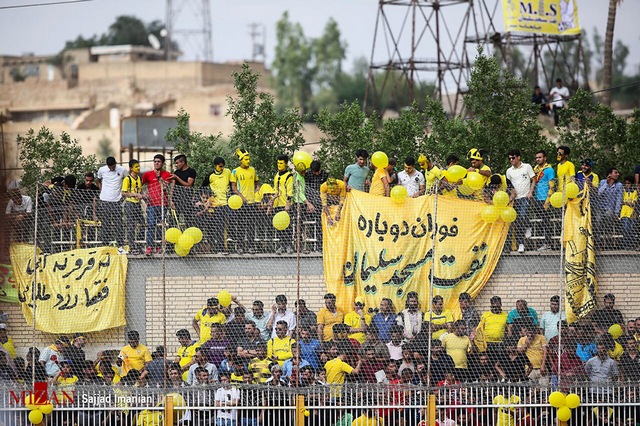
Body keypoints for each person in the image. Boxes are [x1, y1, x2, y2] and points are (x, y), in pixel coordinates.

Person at [230, 148, 260, 255]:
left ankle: (251, 247)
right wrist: (241, 196)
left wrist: (257, 189)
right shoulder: (235, 171)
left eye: (249, 159)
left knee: (251, 225)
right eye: (246, 159)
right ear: (240, 160)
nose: (248, 161)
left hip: (252, 202)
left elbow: (257, 182)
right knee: (241, 225)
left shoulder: (253, 170)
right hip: (241, 203)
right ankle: (240, 247)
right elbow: (233, 187)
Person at [505, 149, 535, 253]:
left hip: (525, 197)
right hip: (515, 199)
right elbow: (509, 185)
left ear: (518, 157)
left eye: (513, 157)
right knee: (517, 222)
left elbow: (534, 179)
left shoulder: (527, 167)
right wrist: (511, 196)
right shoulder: (509, 171)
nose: (511, 160)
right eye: (509, 158)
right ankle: (520, 244)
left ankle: (528, 226)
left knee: (523, 215)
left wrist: (530, 191)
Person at [141, 154, 172, 255]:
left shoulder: (167, 174)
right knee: (150, 225)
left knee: (160, 226)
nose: (156, 163)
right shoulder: (148, 174)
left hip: (163, 204)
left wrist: (161, 180)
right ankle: (149, 247)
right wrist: (143, 195)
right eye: (155, 161)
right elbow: (139, 185)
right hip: (151, 205)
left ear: (162, 163)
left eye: (158, 161)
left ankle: (159, 246)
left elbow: (169, 186)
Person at [96, 156, 127, 251]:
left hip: (117, 201)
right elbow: (98, 180)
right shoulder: (102, 170)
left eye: (113, 166)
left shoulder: (122, 170)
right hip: (104, 200)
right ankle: (105, 245)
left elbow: (127, 181)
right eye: (110, 167)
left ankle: (120, 245)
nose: (111, 168)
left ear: (115, 163)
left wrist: (123, 195)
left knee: (118, 223)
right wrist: (102, 190)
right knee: (105, 223)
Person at [208, 156, 233, 254]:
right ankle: (220, 248)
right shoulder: (211, 176)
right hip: (218, 205)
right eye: (220, 166)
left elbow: (232, 184)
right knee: (220, 227)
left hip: (228, 203)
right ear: (215, 166)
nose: (222, 168)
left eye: (223, 166)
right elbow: (205, 188)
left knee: (231, 224)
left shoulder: (228, 172)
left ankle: (230, 248)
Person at [532, 150, 555, 251]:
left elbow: (552, 185)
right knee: (540, 222)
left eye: (540, 157)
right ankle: (542, 243)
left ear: (545, 158)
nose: (538, 159)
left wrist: (548, 199)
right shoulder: (535, 170)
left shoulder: (549, 170)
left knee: (546, 221)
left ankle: (548, 243)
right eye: (536, 157)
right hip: (537, 198)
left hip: (545, 198)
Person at [271, 155, 294, 254]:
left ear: (285, 164)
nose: (279, 165)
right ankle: (281, 245)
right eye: (278, 163)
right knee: (279, 225)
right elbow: (276, 190)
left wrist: (288, 203)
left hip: (286, 204)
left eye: (281, 163)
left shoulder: (289, 176)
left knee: (287, 225)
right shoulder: (277, 175)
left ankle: (288, 245)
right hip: (278, 204)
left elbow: (290, 190)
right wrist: (272, 200)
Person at [121, 159, 144, 253]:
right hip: (130, 203)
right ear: (131, 168)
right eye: (136, 166)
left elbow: (140, 190)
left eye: (139, 166)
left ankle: (139, 243)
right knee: (131, 225)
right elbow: (123, 193)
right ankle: (131, 246)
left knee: (142, 223)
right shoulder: (127, 179)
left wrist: (144, 196)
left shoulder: (138, 178)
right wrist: (135, 195)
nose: (138, 168)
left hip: (137, 204)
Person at [169, 153, 197, 228]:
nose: (176, 165)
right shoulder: (176, 172)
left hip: (187, 200)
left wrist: (177, 178)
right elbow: (173, 186)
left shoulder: (191, 171)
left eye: (177, 163)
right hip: (176, 200)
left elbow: (189, 184)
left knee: (188, 221)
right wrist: (171, 199)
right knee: (173, 221)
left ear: (183, 162)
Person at [517, 319, 548, 384]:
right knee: (531, 389)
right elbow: (519, 352)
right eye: (529, 333)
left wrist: (543, 365)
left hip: (540, 367)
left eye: (532, 333)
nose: (530, 335)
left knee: (544, 388)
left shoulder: (541, 338)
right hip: (529, 369)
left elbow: (545, 352)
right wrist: (526, 344)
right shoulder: (522, 339)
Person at [596, 167, 623, 235]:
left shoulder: (619, 185)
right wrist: (606, 184)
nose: (618, 174)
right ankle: (598, 236)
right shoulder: (602, 182)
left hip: (610, 209)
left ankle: (607, 233)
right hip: (600, 208)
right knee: (597, 220)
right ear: (610, 174)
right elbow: (599, 193)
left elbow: (619, 200)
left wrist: (616, 213)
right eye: (615, 173)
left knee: (608, 215)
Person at [621, 176, 638, 250]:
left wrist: (626, 203)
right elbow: (621, 202)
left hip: (631, 213)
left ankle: (631, 244)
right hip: (624, 213)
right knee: (625, 228)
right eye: (626, 183)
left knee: (631, 229)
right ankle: (625, 245)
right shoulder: (623, 191)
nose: (627, 185)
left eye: (629, 183)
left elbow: (634, 203)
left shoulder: (634, 192)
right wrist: (628, 203)